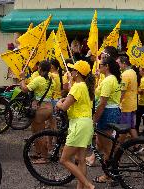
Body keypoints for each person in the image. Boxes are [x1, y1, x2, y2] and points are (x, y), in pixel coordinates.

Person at [56, 60, 95, 189]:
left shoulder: (78, 87)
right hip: (86, 123)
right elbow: (71, 99)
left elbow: (64, 107)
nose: (70, 71)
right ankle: (81, 187)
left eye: (72, 70)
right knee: (81, 159)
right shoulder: (83, 86)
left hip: (79, 124)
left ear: (77, 73)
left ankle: (88, 185)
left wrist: (58, 103)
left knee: (64, 159)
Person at [19, 60, 56, 164]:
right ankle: (38, 152)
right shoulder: (51, 80)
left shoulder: (39, 79)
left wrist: (22, 78)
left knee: (39, 134)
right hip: (49, 107)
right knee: (35, 131)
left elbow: (25, 89)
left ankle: (44, 157)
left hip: (41, 109)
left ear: (40, 68)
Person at [92, 56, 122, 183]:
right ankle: (111, 171)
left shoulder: (109, 80)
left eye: (100, 65)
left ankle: (110, 174)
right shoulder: (110, 78)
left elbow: (102, 103)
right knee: (101, 143)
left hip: (107, 113)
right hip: (111, 111)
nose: (98, 67)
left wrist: (94, 120)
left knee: (107, 148)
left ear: (107, 66)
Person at [116, 55, 139, 142]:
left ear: (124, 63)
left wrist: (118, 103)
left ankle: (118, 147)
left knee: (124, 127)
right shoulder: (132, 71)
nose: (117, 65)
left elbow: (122, 91)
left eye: (118, 63)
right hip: (132, 103)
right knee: (131, 126)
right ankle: (137, 145)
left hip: (126, 105)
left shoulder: (125, 75)